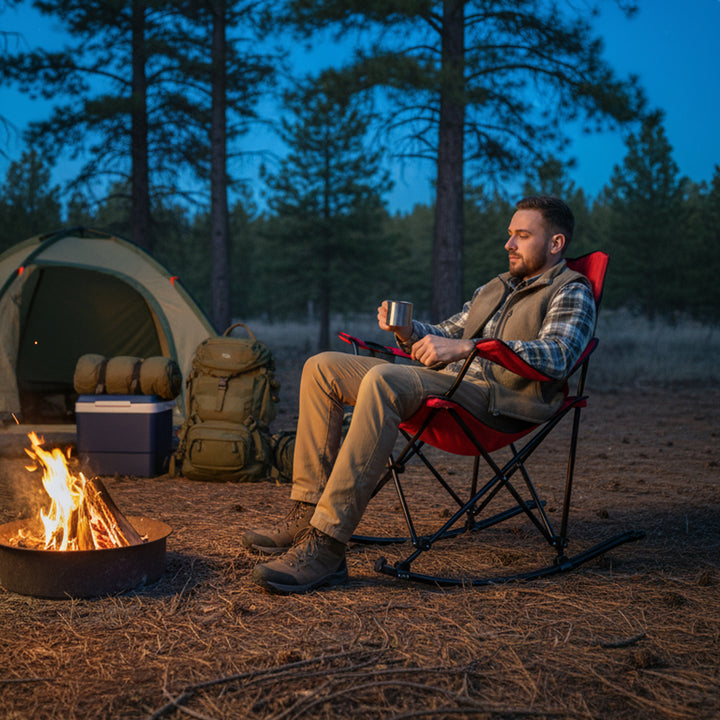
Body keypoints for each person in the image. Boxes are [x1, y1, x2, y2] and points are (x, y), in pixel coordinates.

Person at [243, 195, 596, 594]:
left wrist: (472, 348)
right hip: (452, 383)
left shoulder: (571, 290)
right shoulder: (497, 288)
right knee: (322, 367)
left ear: (556, 244)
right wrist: (410, 330)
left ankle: (326, 546)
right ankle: (307, 511)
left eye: (522, 235)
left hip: (501, 400)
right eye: (509, 235)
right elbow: (448, 331)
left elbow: (560, 355)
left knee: (384, 381)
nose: (509, 244)